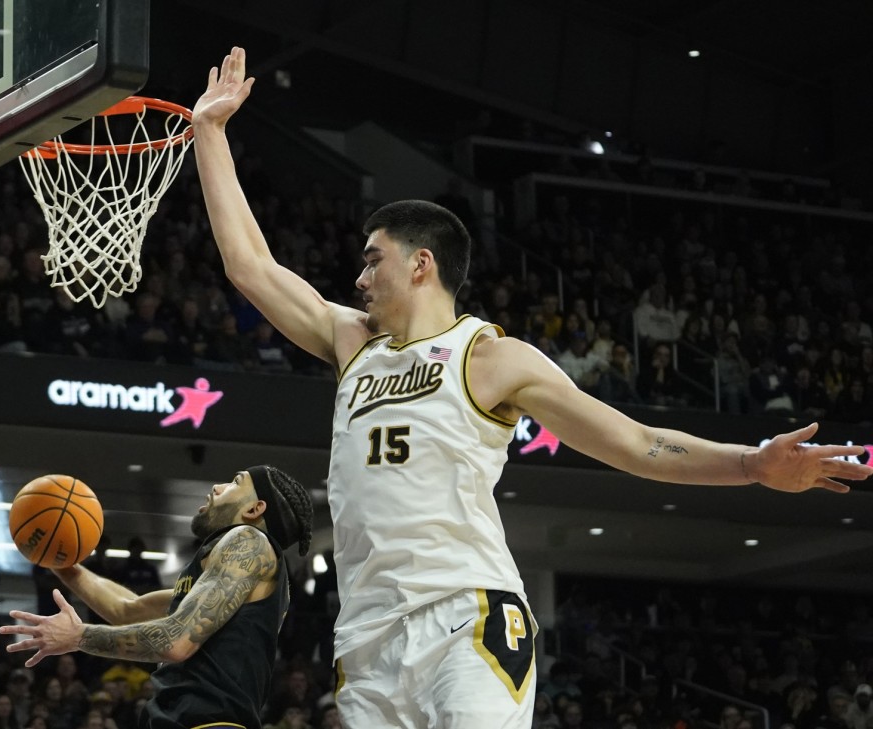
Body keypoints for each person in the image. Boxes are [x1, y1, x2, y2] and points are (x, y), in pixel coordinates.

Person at [190, 47, 873, 728]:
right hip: (366, 636)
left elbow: (637, 443)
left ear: (421, 263)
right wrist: (210, 134)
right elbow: (249, 265)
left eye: (374, 260)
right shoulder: (350, 340)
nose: (360, 279)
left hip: (467, 613)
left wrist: (751, 463)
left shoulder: (492, 357)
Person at [0, 466, 313, 729]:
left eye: (235, 482)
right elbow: (127, 609)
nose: (218, 486)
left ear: (255, 509)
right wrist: (60, 559)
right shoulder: (226, 571)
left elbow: (176, 640)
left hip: (209, 721)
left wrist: (79, 636)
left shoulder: (248, 540)